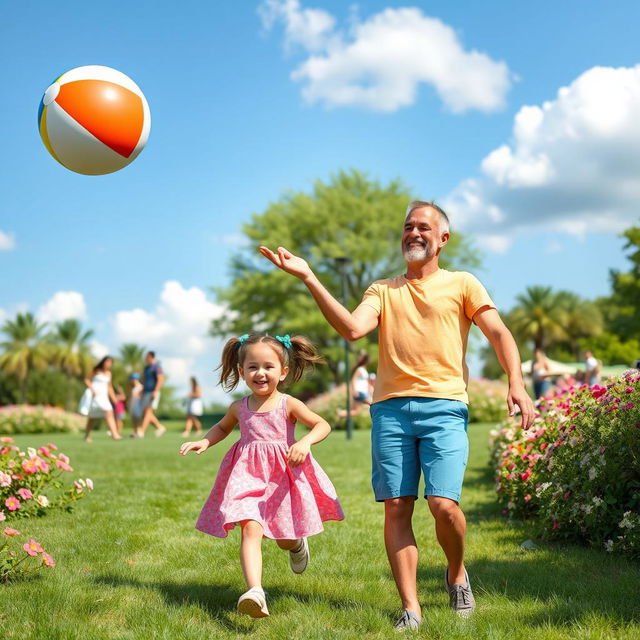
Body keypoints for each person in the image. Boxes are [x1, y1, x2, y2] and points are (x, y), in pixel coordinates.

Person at [259, 200, 534, 629]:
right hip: (390, 412)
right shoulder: (382, 290)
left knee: (444, 506)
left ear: (443, 238)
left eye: (424, 227)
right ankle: (411, 608)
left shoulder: (463, 283)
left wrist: (515, 381)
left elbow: (499, 332)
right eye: (408, 226)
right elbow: (352, 329)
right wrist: (309, 276)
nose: (414, 233)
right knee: (397, 508)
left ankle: (456, 572)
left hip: (445, 408)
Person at [179, 333, 344, 618]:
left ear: (283, 372)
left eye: (268, 366)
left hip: (282, 480)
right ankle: (255, 591)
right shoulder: (238, 408)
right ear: (242, 372)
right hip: (247, 477)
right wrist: (204, 441)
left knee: (283, 538)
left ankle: (296, 544)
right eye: (253, 367)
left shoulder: (288, 404)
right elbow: (222, 428)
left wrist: (303, 443)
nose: (261, 373)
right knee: (250, 527)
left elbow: (321, 424)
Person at [78, 356, 122, 442]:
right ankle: (87, 436)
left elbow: (109, 387)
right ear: (103, 362)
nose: (108, 364)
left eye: (110, 362)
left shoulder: (109, 374)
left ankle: (114, 434)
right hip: (95, 395)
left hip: (104, 396)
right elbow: (87, 380)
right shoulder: (95, 370)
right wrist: (92, 389)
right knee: (96, 415)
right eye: (107, 362)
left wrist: (113, 398)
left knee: (106, 412)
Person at [138, 351, 166, 437]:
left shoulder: (157, 367)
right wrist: (142, 390)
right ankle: (160, 427)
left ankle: (141, 431)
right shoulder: (146, 368)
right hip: (146, 392)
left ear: (151, 357)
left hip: (153, 392)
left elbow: (160, 379)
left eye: (147, 357)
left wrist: (156, 391)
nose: (146, 359)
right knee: (147, 412)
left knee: (148, 411)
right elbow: (144, 380)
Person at [128, 372, 144, 437]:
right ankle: (135, 431)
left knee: (138, 419)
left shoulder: (141, 387)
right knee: (133, 419)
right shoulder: (132, 388)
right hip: (133, 405)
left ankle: (139, 431)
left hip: (139, 405)